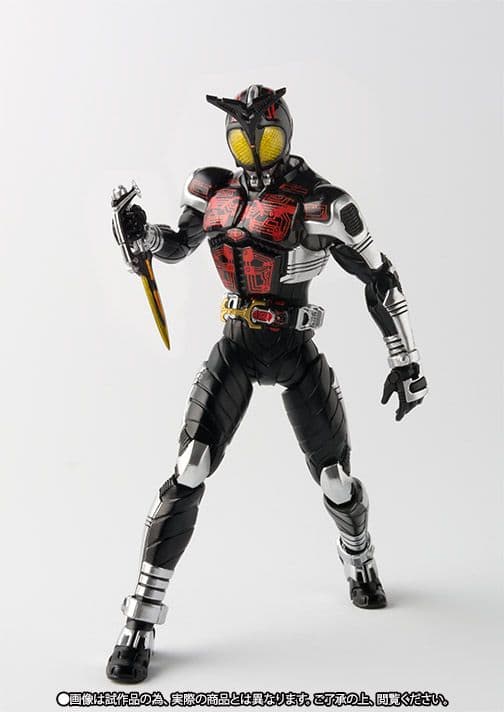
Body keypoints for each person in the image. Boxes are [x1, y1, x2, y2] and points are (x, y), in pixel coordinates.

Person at [106, 85, 428, 683]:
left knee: (335, 478)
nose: (255, 153)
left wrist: (404, 358)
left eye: (268, 140)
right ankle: (141, 619)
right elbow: (178, 243)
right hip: (236, 345)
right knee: (189, 467)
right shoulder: (211, 190)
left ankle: (358, 558)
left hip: (294, 349)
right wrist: (144, 239)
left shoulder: (320, 202)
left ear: (286, 135)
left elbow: (378, 275)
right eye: (244, 142)